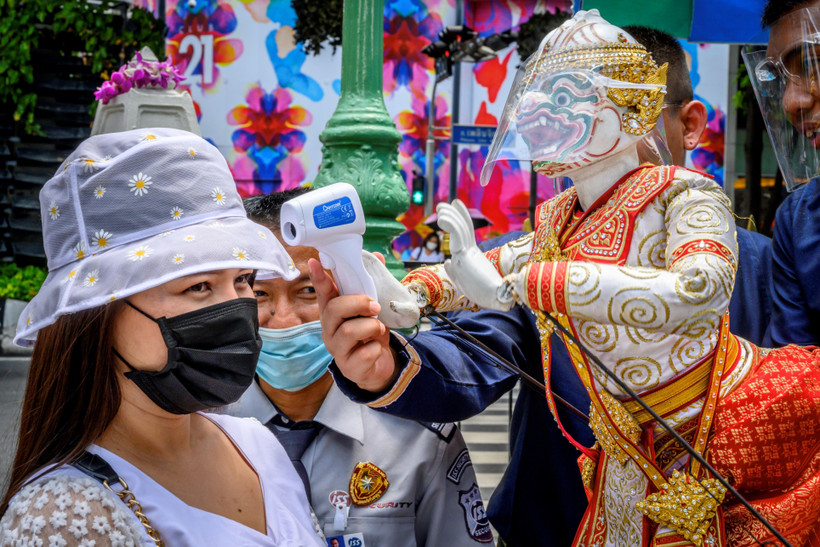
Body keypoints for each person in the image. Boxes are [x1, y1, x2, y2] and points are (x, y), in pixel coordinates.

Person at [317, 10, 820, 546]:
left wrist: (529, 285)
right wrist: (411, 295)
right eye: (538, 98)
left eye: (564, 97)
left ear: (628, 108)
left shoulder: (686, 195)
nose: (536, 114)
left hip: (702, 450)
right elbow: (489, 271)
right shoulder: (560, 217)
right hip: (620, 455)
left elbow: (701, 287)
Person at [0, 128, 324, 546]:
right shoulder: (59, 518)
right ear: (100, 312)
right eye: (198, 286)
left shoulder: (258, 445)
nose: (236, 308)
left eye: (244, 279)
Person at [226, 188, 493, 546]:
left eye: (308, 290)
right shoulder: (200, 425)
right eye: (260, 294)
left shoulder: (418, 435)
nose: (284, 319)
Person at [623, 25, 774, 347]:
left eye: (630, 116)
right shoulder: (539, 257)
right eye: (581, 124)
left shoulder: (762, 265)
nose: (598, 149)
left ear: (689, 125)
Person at [747, 0, 820, 346]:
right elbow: (792, 372)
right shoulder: (800, 219)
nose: (791, 101)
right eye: (781, 78)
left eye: (813, 65)